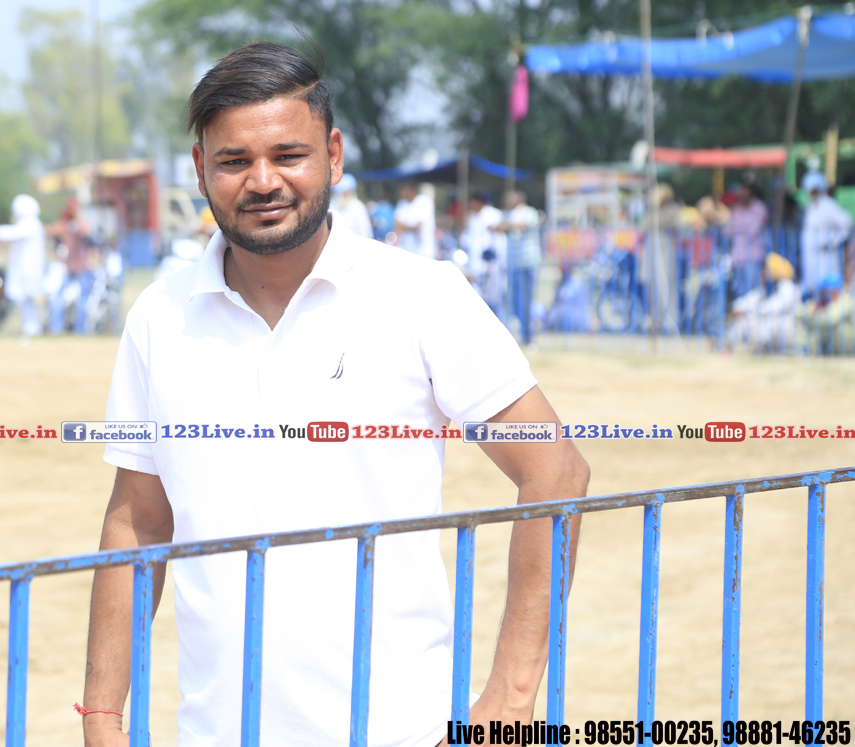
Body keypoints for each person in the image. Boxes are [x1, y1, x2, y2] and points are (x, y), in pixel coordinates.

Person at [81, 41, 590, 747]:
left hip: (400, 731)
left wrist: (507, 702)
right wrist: (102, 717)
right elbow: (137, 520)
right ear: (200, 170)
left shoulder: (421, 295)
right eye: (233, 161)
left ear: (334, 154)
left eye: (288, 155)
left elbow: (555, 471)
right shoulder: (158, 317)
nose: (263, 181)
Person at [0, 194, 46, 337]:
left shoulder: (31, 223)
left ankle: (33, 326)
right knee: (23, 299)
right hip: (24, 268)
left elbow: (13, 233)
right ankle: (29, 326)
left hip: (28, 269)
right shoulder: (29, 223)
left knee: (29, 298)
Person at [494, 190, 542, 345]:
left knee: (526, 301)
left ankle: (528, 336)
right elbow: (497, 227)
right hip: (513, 264)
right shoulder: (507, 214)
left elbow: (526, 225)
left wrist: (508, 226)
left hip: (528, 262)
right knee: (514, 301)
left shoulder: (529, 212)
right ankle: (518, 334)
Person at [799, 171, 853, 296]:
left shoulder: (828, 205)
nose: (810, 193)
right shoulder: (811, 206)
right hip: (811, 257)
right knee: (813, 291)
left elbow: (848, 223)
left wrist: (832, 241)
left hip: (825, 256)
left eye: (813, 190)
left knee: (829, 291)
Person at [45, 197, 93, 333]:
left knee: (82, 300)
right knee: (57, 298)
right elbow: (50, 230)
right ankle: (56, 327)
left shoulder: (81, 225)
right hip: (66, 267)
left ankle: (80, 329)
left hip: (82, 267)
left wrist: (77, 217)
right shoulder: (64, 225)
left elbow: (85, 230)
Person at [462, 190, 506, 318]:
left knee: (493, 300)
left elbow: (498, 241)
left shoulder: (493, 214)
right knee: (479, 300)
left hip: (491, 263)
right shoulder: (474, 218)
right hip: (476, 264)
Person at [725, 180, 767, 300]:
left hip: (752, 258)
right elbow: (728, 231)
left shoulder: (759, 208)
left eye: (744, 190)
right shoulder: (737, 208)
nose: (741, 193)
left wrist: (738, 228)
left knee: (752, 295)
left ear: (751, 192)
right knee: (739, 294)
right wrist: (740, 228)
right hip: (737, 258)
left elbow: (753, 231)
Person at [393, 179, 436, 258]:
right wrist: (410, 226)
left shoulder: (424, 201)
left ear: (411, 189)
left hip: (424, 251)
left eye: (403, 189)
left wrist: (404, 225)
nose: (401, 192)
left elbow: (417, 226)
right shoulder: (401, 203)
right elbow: (398, 224)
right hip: (407, 250)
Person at [331, 172, 373, 238]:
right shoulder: (332, 206)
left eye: (347, 192)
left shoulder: (358, 207)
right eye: (342, 193)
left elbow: (365, 231)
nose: (345, 195)